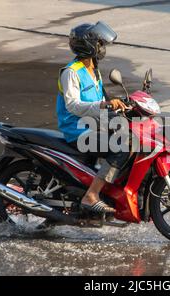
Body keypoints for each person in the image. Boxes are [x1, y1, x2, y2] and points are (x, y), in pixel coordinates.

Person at [56, 21, 130, 214]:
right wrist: (104, 105)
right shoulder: (71, 72)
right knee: (121, 148)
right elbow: (73, 106)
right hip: (78, 131)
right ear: (88, 45)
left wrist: (123, 104)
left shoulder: (93, 69)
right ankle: (91, 196)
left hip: (95, 126)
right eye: (99, 43)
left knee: (131, 136)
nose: (102, 47)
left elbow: (101, 99)